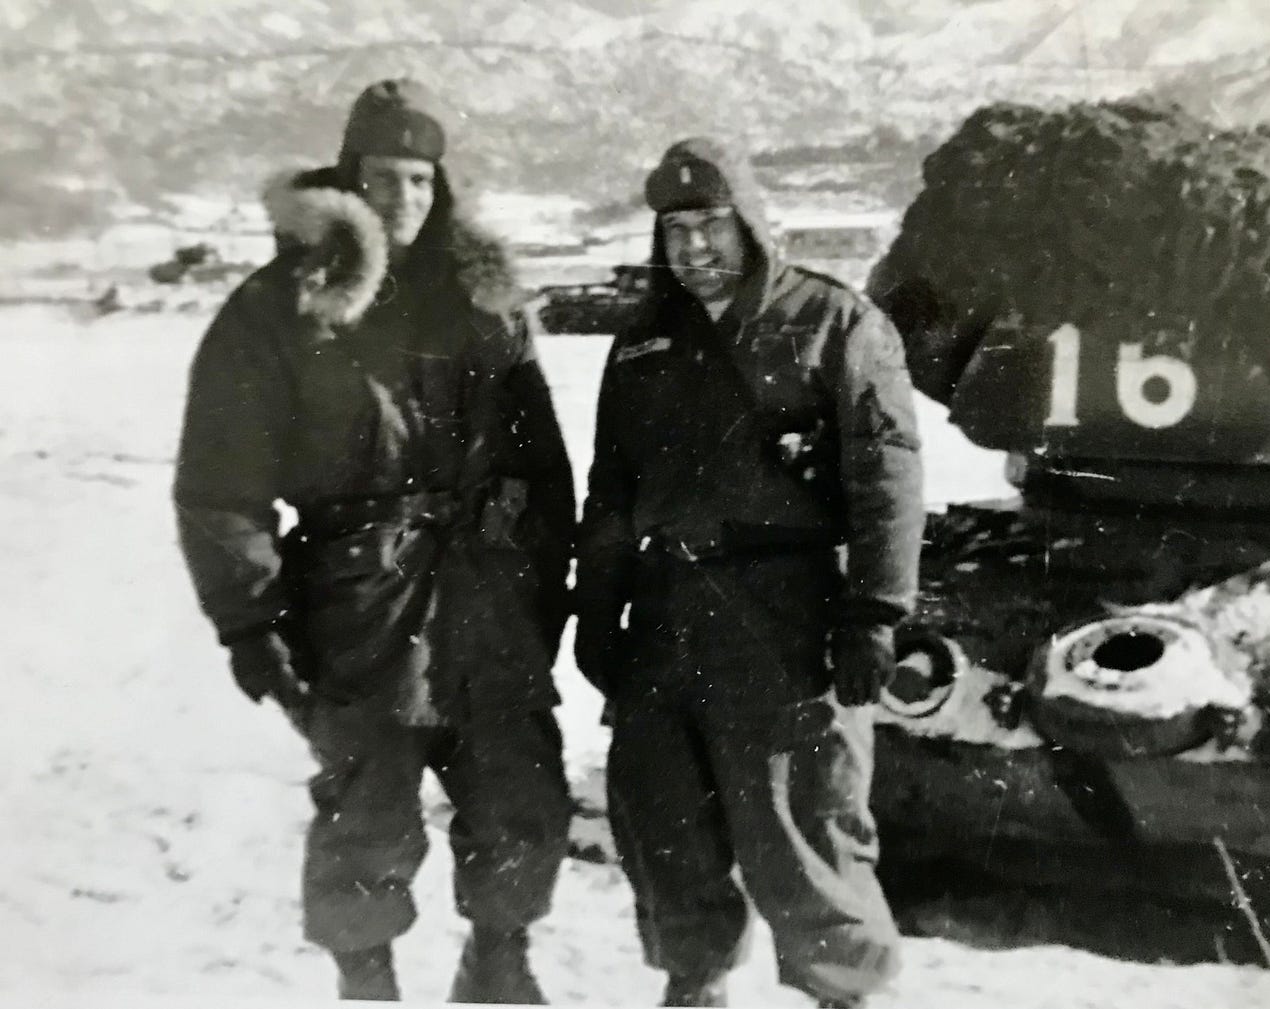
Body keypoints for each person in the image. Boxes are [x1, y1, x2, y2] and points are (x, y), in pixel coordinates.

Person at [173, 79, 574, 1004]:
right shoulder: (281, 304)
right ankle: (367, 981)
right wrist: (252, 623)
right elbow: (219, 488)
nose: (404, 200)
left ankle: (500, 963)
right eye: (385, 178)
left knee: (518, 793)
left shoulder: (485, 298)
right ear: (348, 180)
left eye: (423, 181)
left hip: (486, 593)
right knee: (367, 813)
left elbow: (541, 465)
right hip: (356, 601)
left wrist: (544, 587)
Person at [574, 137, 925, 1009]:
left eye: (710, 225)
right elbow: (611, 489)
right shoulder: (643, 344)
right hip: (664, 618)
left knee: (806, 832)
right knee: (665, 830)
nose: (691, 248)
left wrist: (873, 614)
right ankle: (695, 988)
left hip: (784, 615)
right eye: (674, 230)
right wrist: (598, 610)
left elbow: (889, 479)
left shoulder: (836, 323)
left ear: (753, 223)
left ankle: (845, 994)